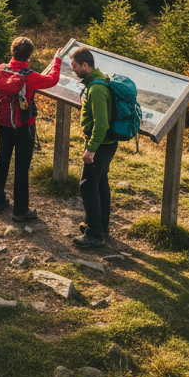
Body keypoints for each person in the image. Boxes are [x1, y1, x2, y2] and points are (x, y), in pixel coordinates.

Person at [0, 36, 64, 223]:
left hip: (2, 124)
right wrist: (57, 60)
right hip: (24, 127)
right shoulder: (29, 76)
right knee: (22, 168)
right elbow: (52, 80)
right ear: (29, 54)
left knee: (1, 161)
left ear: (12, 51)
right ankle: (20, 211)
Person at [71, 47, 117, 249]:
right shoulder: (96, 81)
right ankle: (99, 225)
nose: (72, 69)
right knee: (99, 183)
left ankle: (95, 235)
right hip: (104, 143)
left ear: (85, 65)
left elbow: (101, 124)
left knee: (87, 185)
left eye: (74, 66)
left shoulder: (97, 89)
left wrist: (90, 149)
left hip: (100, 144)